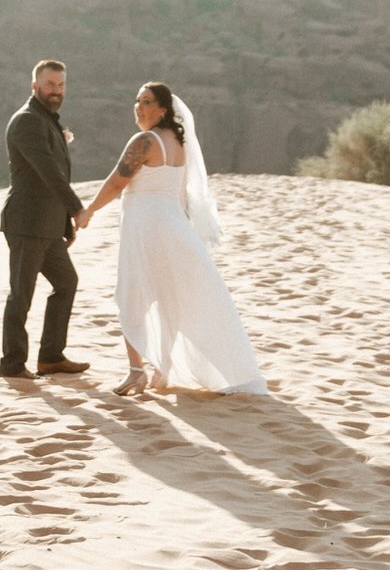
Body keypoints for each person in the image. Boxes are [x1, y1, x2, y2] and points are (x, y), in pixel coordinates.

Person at [75, 80, 266, 399]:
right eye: (137, 100)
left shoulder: (145, 141)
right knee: (166, 295)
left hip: (146, 226)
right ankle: (161, 369)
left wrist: (89, 211)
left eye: (147, 101)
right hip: (173, 225)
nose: (139, 106)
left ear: (163, 110)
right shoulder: (178, 143)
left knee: (132, 293)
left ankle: (137, 371)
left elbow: (115, 183)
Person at [0, 59, 89, 381]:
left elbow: (54, 172)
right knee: (21, 294)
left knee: (66, 283)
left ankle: (51, 356)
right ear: (34, 85)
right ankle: (12, 365)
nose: (56, 91)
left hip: (48, 226)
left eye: (61, 85)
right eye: (50, 84)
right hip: (26, 223)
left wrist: (64, 222)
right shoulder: (26, 121)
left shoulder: (46, 121)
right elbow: (48, 172)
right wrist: (77, 209)